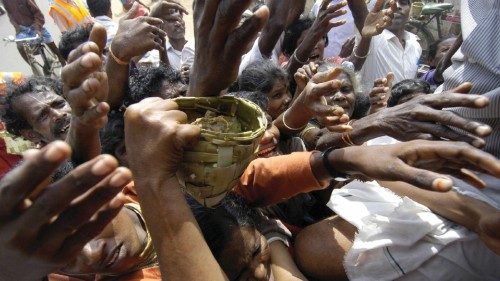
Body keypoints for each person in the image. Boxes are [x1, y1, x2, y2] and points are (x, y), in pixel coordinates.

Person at [0, 140, 131, 281]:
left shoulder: (149, 180)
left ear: (101, 189)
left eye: (81, 221)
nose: (93, 255)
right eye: (63, 252)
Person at [349, 0, 422, 92]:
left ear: (410, 11)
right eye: (389, 5)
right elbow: (358, 8)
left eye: (403, 2)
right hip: (375, 105)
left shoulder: (415, 45)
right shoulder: (373, 37)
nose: (397, 6)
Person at [3, 0, 66, 67]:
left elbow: (38, 13)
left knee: (50, 43)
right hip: (22, 29)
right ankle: (33, 67)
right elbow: (10, 15)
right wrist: (17, 28)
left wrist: (37, 28)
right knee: (20, 47)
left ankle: (62, 61)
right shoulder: (5, 1)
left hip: (35, 25)